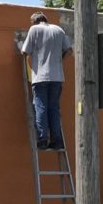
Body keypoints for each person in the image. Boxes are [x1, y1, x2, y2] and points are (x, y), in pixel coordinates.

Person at [21, 11, 72, 150]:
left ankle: (42, 139)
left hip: (41, 77)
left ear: (35, 21)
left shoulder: (35, 29)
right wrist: (58, 60)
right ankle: (56, 140)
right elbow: (69, 50)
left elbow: (24, 51)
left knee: (41, 107)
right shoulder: (59, 30)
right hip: (57, 77)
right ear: (45, 19)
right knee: (54, 108)